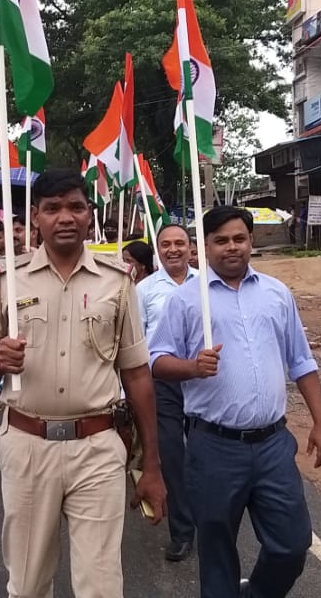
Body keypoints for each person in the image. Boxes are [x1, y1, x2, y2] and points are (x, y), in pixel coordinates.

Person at [0, 168, 167, 598]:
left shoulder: (118, 281)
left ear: (89, 214)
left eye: (76, 207)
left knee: (101, 586)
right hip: (26, 445)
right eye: (53, 208)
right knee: (28, 583)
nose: (65, 217)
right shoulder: (6, 280)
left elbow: (136, 374)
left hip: (98, 447)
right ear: (35, 216)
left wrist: (151, 465)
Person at [148, 205, 321, 598]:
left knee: (291, 544)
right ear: (205, 247)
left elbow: (301, 360)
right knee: (217, 550)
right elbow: (157, 360)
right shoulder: (186, 300)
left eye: (239, 239)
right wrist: (192, 367)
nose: (231, 247)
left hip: (272, 444)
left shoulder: (276, 294)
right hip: (213, 446)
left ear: (251, 241)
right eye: (221, 241)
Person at [135, 223, 198, 563]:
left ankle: (212, 519)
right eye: (166, 244)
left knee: (204, 452)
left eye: (179, 243)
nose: (173, 249)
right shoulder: (144, 290)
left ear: (190, 247)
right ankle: (182, 531)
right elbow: (135, 341)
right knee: (171, 454)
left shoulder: (206, 284)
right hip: (162, 380)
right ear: (158, 250)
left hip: (203, 379)